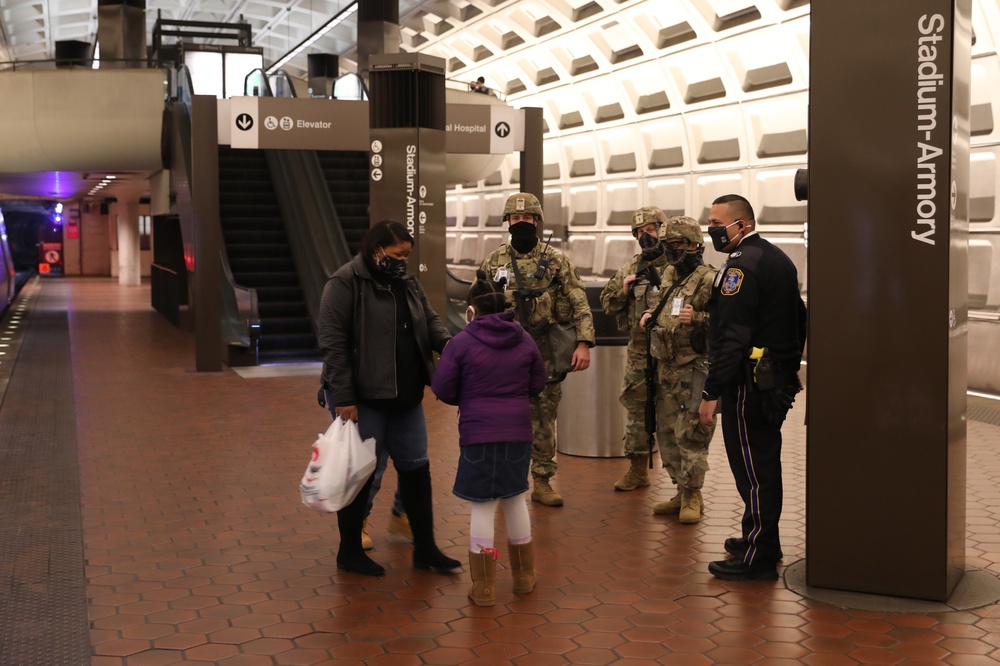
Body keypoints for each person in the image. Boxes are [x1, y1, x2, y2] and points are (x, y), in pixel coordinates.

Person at [318, 219, 461, 577]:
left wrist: (449, 346)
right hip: (364, 399)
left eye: (406, 255)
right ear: (376, 249)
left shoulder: (407, 282)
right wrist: (345, 397)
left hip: (407, 396)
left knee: (417, 469)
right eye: (396, 254)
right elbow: (333, 344)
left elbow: (428, 320)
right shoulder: (345, 283)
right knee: (360, 474)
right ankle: (349, 551)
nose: (402, 261)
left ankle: (425, 548)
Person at [697, 194, 807, 581]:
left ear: (741, 224)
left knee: (754, 469)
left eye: (716, 221)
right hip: (772, 380)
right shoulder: (775, 257)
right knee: (761, 463)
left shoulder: (740, 268)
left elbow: (732, 337)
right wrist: (790, 365)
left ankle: (757, 557)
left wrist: (712, 392)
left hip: (749, 385)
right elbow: (800, 315)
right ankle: (761, 539)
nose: (711, 228)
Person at [431, 270, 547, 606]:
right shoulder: (524, 338)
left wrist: (469, 397)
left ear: (472, 309)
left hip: (478, 433)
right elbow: (538, 382)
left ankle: (483, 587)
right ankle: (524, 577)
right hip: (517, 433)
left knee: (482, 504)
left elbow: (442, 388)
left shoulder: (463, 342)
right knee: (514, 498)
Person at [480, 192, 595, 507]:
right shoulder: (494, 261)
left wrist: (583, 342)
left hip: (545, 352)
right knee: (503, 418)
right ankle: (505, 480)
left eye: (527, 218)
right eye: (516, 219)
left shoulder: (557, 260)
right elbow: (477, 307)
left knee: (544, 419)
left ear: (536, 221)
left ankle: (542, 481)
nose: (521, 224)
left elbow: (578, 300)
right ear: (508, 222)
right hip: (504, 356)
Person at [639, 217, 717, 523]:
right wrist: (648, 313)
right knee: (667, 433)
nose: (674, 251)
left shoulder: (710, 279)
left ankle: (693, 495)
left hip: (693, 369)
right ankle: (680, 489)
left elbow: (729, 322)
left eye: (681, 245)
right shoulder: (670, 273)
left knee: (692, 434)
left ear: (696, 246)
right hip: (666, 367)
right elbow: (660, 304)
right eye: (669, 245)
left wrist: (697, 317)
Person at [599, 207, 669, 492]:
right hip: (640, 353)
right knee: (637, 412)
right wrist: (623, 291)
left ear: (663, 230)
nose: (645, 236)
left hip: (673, 355)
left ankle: (686, 487)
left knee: (674, 414)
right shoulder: (630, 268)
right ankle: (637, 470)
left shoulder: (679, 265)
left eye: (651, 229)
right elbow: (607, 304)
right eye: (640, 232)